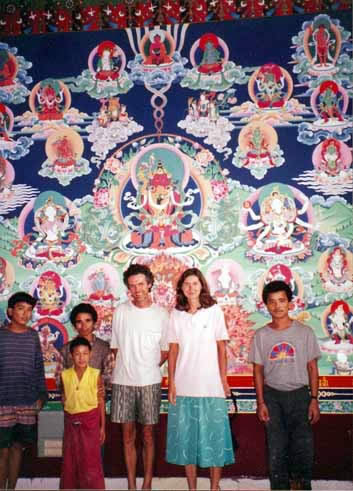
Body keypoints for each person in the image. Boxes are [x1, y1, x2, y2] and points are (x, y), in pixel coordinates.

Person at [166, 268, 235, 491]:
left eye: (195, 283)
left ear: (202, 285)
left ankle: (215, 487)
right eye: (186, 284)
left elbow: (221, 348)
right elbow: (173, 350)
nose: (191, 288)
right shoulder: (176, 314)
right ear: (181, 288)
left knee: (214, 440)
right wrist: (172, 383)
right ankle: (192, 488)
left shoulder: (214, 311)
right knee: (187, 441)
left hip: (211, 386)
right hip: (184, 386)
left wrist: (223, 380)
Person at [249, 280, 321, 490]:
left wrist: (314, 400)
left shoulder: (305, 332)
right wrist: (261, 402)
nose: (277, 306)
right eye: (272, 302)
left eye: (282, 300)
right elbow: (258, 371)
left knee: (303, 450)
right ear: (266, 306)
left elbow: (312, 368)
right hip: (273, 398)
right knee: (276, 450)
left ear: (290, 303)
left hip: (300, 396)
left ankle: (302, 486)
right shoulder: (261, 335)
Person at [110, 264, 169, 491]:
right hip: (123, 382)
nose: (137, 290)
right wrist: (129, 365)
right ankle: (131, 485)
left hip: (150, 382)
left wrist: (147, 367)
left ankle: (147, 483)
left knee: (148, 435)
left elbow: (165, 351)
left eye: (141, 284)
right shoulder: (121, 311)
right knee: (127, 436)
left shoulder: (161, 315)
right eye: (132, 286)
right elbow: (115, 347)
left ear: (150, 283)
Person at [0, 292, 47, 490]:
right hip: (2, 402)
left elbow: (38, 367)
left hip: (27, 401)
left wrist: (41, 396)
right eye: (21, 309)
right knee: (3, 450)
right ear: (10, 311)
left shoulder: (32, 336)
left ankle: (12, 488)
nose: (25, 314)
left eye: (29, 310)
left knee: (18, 447)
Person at [60, 336, 105, 490]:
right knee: (71, 461)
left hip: (91, 422)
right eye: (77, 354)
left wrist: (102, 427)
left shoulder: (95, 374)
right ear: (71, 355)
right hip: (71, 423)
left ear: (90, 354)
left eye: (85, 353)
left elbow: (100, 402)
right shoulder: (65, 375)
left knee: (91, 462)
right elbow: (64, 399)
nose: (81, 357)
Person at [55, 303, 114, 390]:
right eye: (79, 322)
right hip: (73, 400)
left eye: (88, 320)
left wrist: (90, 384)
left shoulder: (104, 348)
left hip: (96, 399)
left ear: (94, 322)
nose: (84, 326)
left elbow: (110, 377)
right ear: (74, 325)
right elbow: (59, 380)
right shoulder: (65, 349)